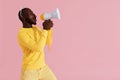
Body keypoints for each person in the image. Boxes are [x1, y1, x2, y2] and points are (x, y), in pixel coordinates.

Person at [17, 8, 57, 80]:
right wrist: (45, 29)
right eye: (31, 14)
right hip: (29, 71)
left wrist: (49, 29)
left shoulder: (36, 29)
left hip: (43, 67)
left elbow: (47, 42)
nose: (35, 15)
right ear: (24, 18)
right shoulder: (22, 34)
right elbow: (38, 48)